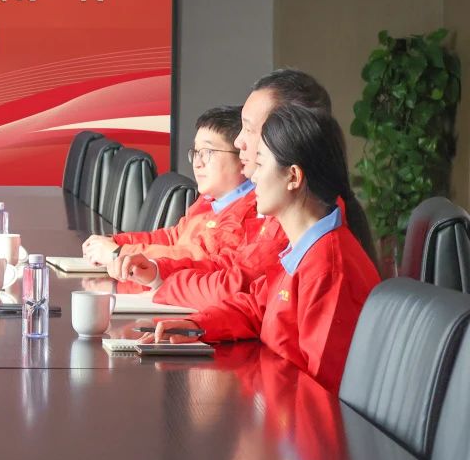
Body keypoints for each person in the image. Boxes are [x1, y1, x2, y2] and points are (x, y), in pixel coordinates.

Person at [141, 104, 381, 393]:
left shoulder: (328, 268)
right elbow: (256, 306)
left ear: (293, 177)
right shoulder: (302, 248)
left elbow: (321, 390)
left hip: (289, 415)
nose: (252, 176)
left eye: (261, 163)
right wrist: (196, 326)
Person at [112, 68, 378, 305]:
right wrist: (159, 274)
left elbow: (237, 286)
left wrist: (158, 278)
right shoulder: (282, 208)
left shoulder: (300, 225)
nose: (238, 141)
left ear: (288, 135)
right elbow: (249, 299)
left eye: (249, 129)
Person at [81, 106, 249, 270]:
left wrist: (120, 253)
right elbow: (173, 238)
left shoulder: (247, 214)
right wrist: (116, 242)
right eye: (196, 152)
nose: (197, 163)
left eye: (208, 152)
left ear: (243, 158)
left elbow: (196, 259)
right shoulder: (210, 200)